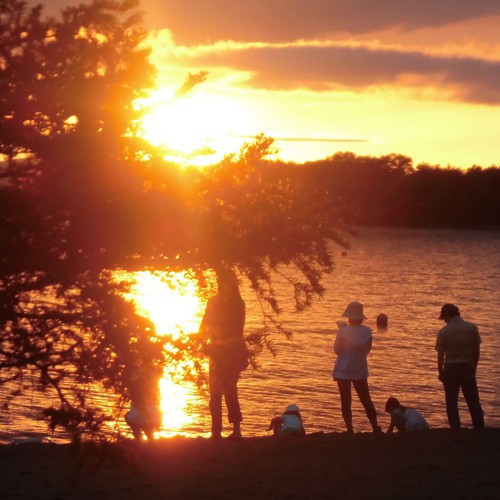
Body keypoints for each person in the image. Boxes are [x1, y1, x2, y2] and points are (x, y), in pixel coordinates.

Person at [199, 266, 249, 439]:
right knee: (215, 391)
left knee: (230, 390)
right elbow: (204, 323)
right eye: (223, 282)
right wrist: (201, 340)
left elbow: (238, 329)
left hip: (231, 352)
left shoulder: (237, 303)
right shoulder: (214, 302)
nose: (224, 285)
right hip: (216, 350)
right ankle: (216, 431)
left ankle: (236, 430)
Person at [332, 301, 381, 433]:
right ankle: (375, 427)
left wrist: (343, 332)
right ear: (360, 316)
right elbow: (367, 350)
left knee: (346, 401)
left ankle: (349, 428)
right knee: (366, 399)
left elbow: (337, 350)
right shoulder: (367, 332)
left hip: (343, 370)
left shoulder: (343, 332)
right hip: (360, 369)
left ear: (349, 316)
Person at [435, 303, 484, 429]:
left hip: (450, 369)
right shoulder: (472, 328)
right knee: (473, 402)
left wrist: (440, 372)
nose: (444, 321)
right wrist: (474, 367)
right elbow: (476, 351)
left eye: (444, 318)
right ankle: (479, 428)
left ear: (448, 315)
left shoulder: (444, 331)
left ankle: (455, 429)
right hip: (467, 367)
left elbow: (441, 355)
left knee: (451, 403)